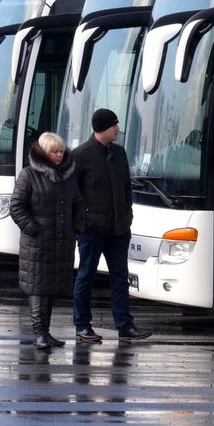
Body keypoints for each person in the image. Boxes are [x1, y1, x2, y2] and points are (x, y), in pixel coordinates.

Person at [71, 108, 151, 343]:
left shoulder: (119, 153)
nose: (118, 128)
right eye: (114, 125)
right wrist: (82, 223)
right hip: (92, 230)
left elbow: (126, 187)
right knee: (86, 276)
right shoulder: (81, 156)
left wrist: (128, 215)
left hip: (118, 229)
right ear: (101, 128)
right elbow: (72, 194)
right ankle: (82, 326)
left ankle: (125, 327)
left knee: (120, 277)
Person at [10, 132, 83, 350]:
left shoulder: (68, 177)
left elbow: (78, 204)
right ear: (44, 152)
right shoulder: (28, 175)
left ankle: (46, 332)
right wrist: (35, 230)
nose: (59, 156)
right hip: (37, 243)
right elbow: (16, 207)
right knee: (38, 287)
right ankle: (39, 332)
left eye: (61, 151)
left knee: (50, 287)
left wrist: (76, 228)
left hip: (61, 241)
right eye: (54, 152)